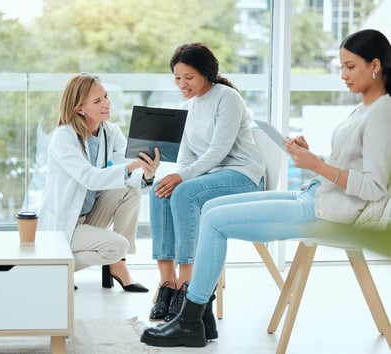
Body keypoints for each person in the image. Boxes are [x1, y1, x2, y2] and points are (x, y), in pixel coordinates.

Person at [141, 28, 391, 348]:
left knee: (214, 220)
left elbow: (373, 187)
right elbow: (351, 165)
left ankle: (190, 320)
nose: (343, 75)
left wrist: (316, 165)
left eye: (350, 66)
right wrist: (313, 156)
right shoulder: (364, 108)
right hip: (317, 196)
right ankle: (202, 317)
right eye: (340, 66)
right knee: (213, 209)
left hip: (330, 212)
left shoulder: (382, 112)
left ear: (375, 65)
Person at [149, 42, 266, 325]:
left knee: (184, 191)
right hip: (210, 177)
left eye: (188, 77)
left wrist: (183, 178)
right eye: (177, 78)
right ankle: (168, 284)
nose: (182, 84)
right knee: (160, 190)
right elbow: (187, 157)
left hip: (242, 176)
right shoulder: (189, 107)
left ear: (205, 73)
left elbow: (219, 150)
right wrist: (174, 177)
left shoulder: (227, 97)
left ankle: (188, 285)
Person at [38, 73, 160, 292]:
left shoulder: (110, 132)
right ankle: (57, 267)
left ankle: (118, 266)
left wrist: (147, 173)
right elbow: (90, 177)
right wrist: (133, 166)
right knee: (118, 245)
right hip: (67, 223)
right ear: (79, 109)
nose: (106, 104)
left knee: (130, 190)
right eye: (97, 101)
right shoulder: (63, 137)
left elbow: (130, 173)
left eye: (105, 97)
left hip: (91, 215)